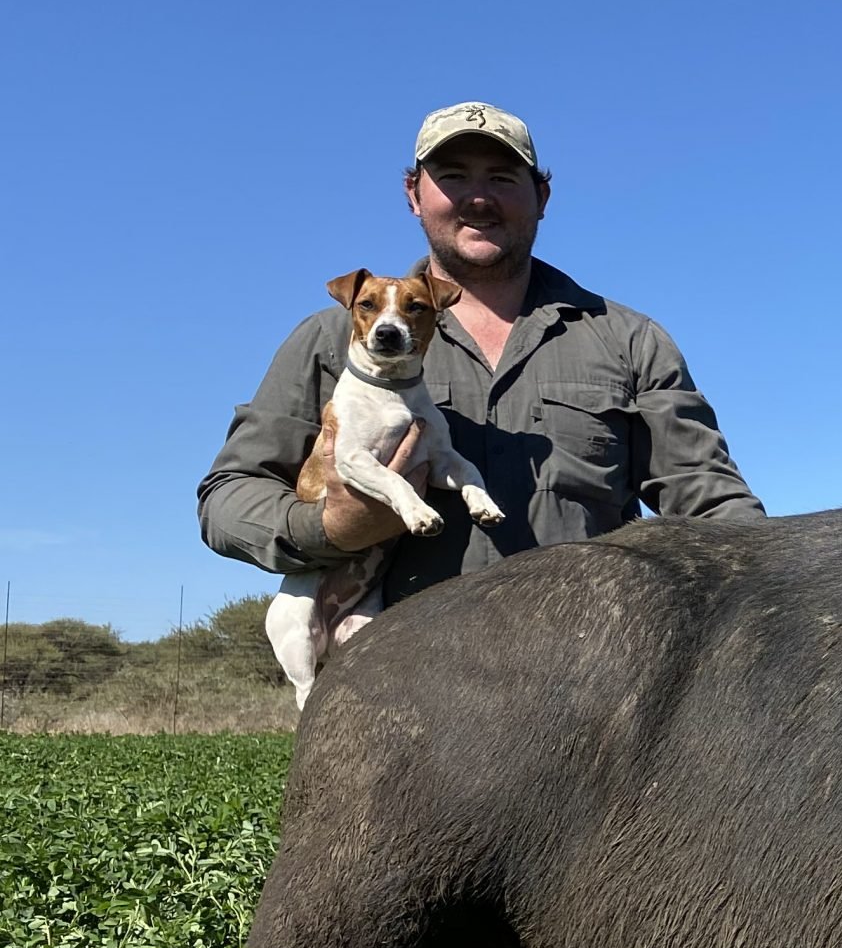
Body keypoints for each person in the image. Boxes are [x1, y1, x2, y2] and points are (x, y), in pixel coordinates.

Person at [202, 101, 764, 613]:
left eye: (502, 177)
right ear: (413, 194)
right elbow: (228, 498)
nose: (478, 197)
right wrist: (329, 529)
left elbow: (708, 501)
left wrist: (782, 583)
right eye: (453, 177)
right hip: (386, 674)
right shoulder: (329, 339)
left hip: (590, 671)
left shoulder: (628, 338)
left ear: (541, 197)